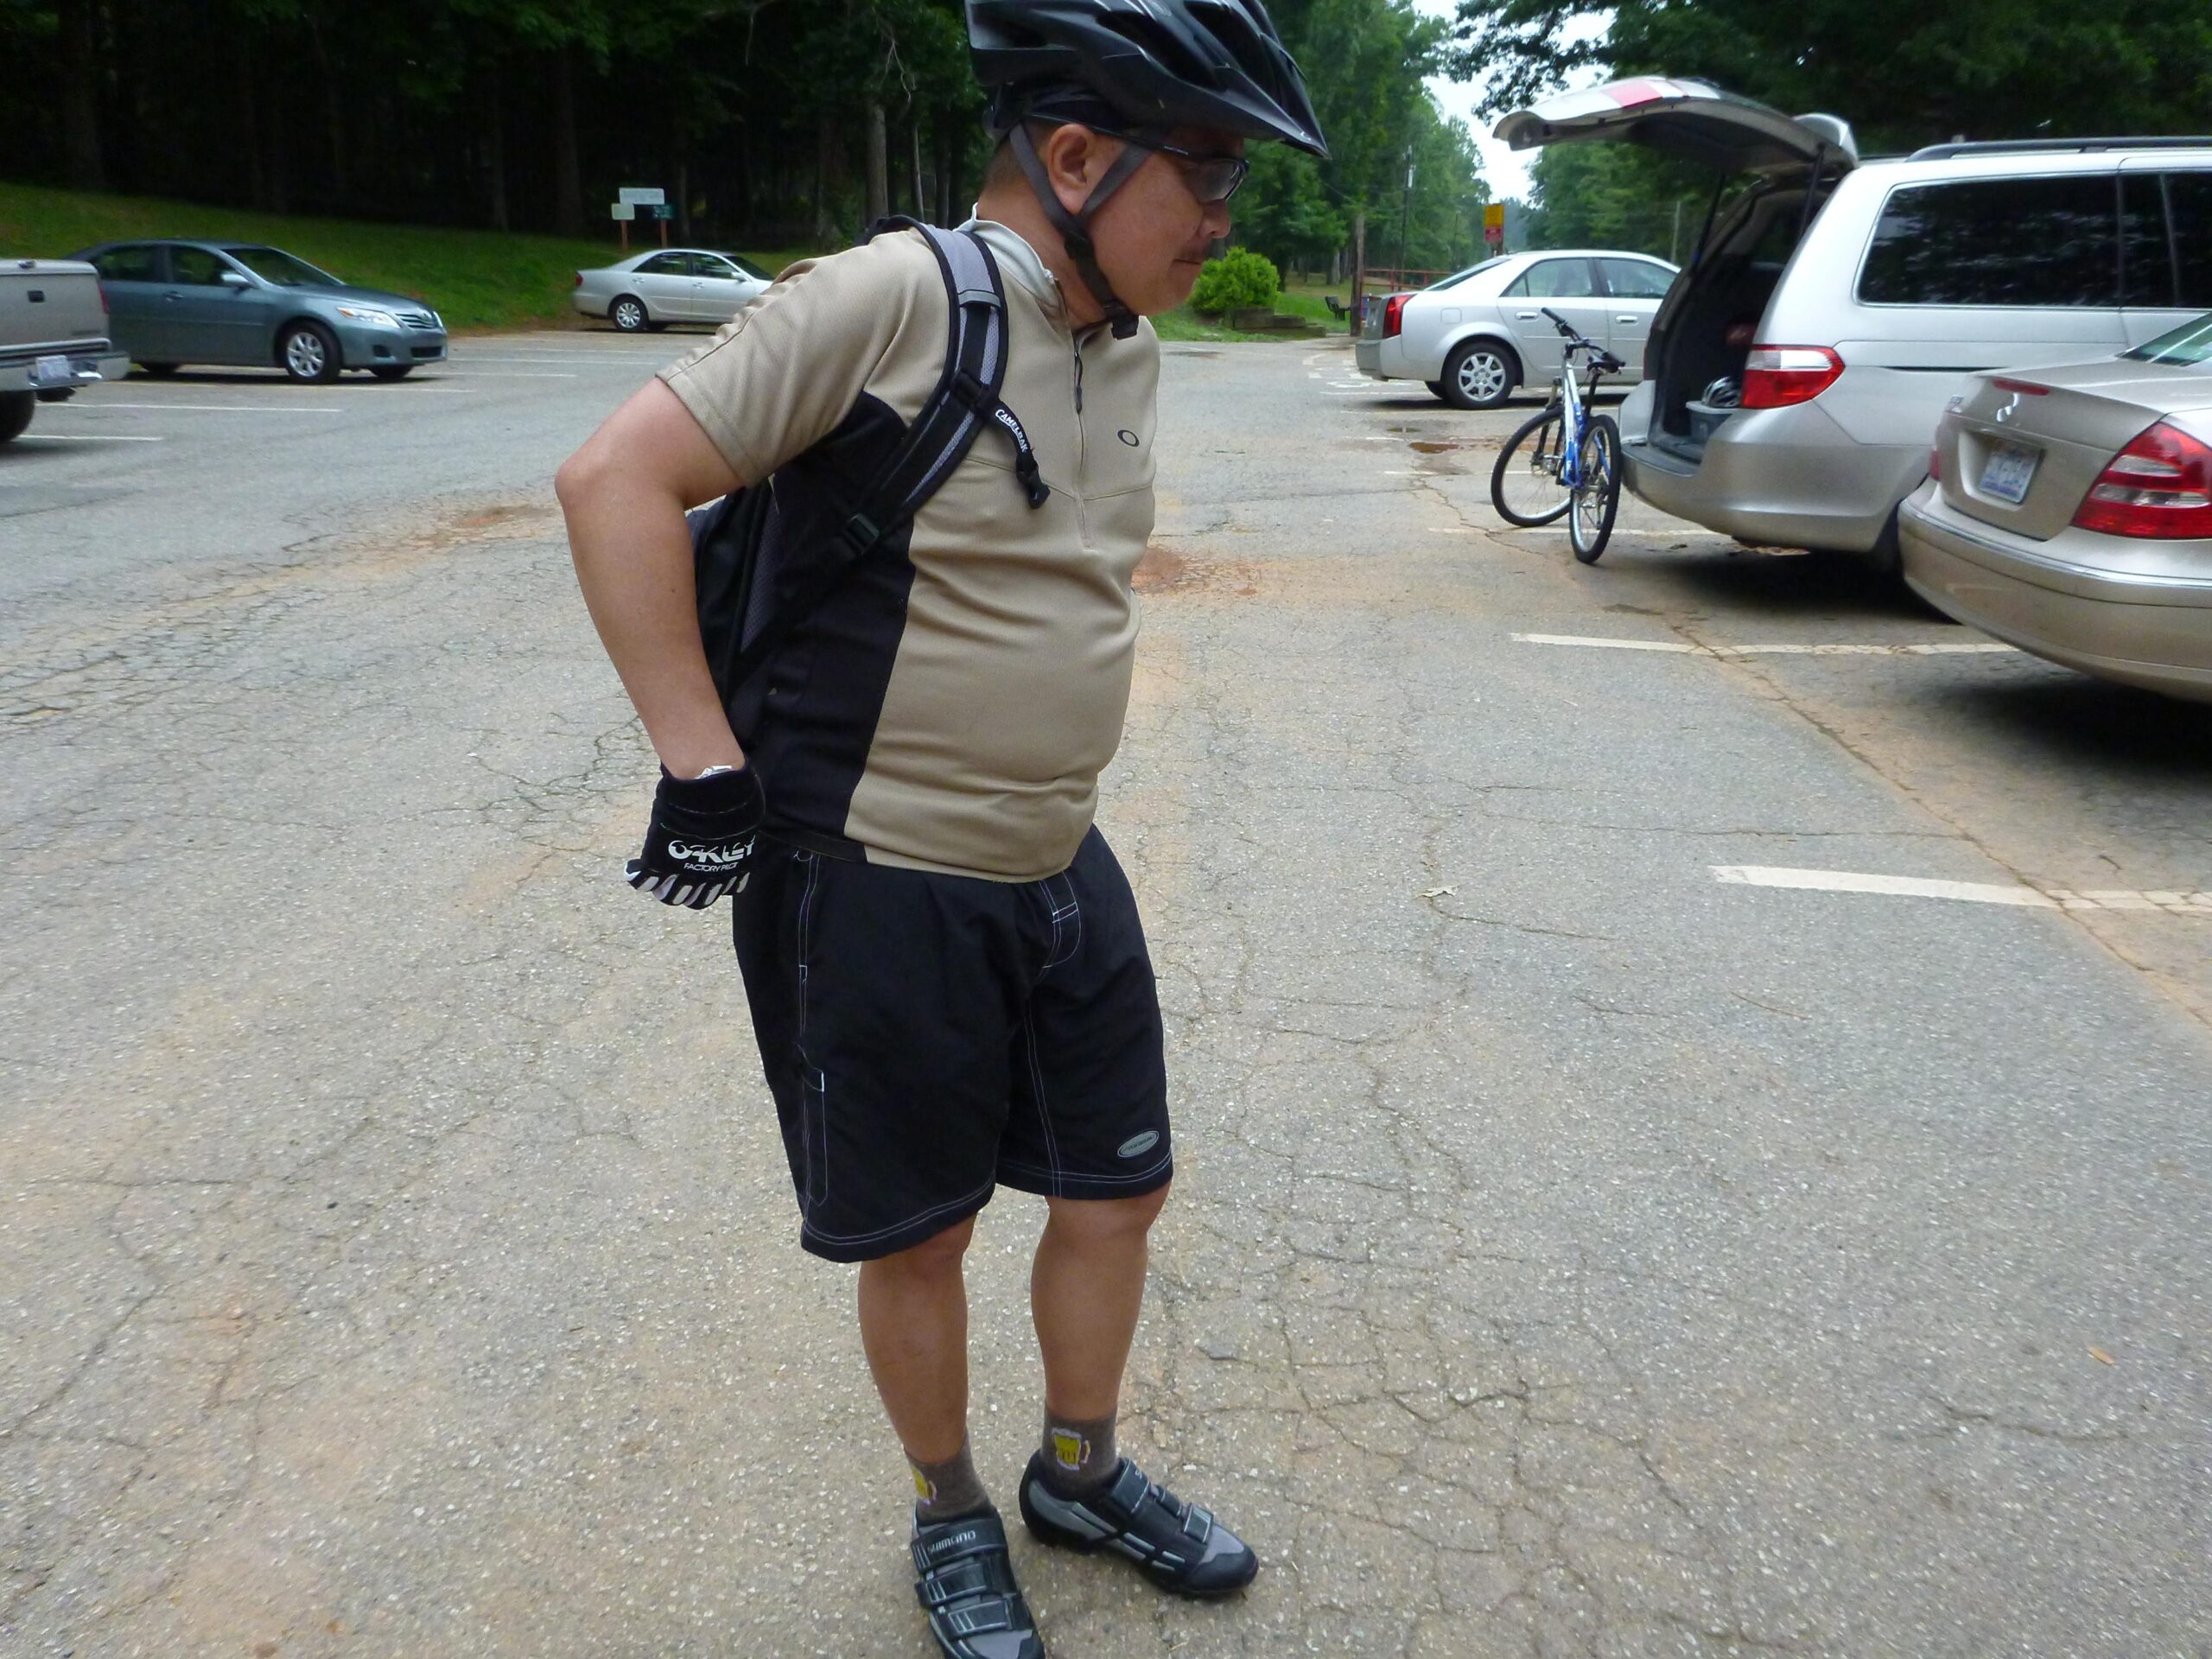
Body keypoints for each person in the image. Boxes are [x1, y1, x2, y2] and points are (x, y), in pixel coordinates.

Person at [555, 3, 1325, 1653]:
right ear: (1072, 155)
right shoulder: (897, 296)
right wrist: (703, 769)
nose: (1222, 219)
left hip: (1060, 858)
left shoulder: (1126, 341)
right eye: (1205, 173)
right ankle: (948, 1506)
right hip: (877, 871)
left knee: (1116, 1193)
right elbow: (613, 478)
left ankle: (1077, 1468)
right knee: (923, 1231)